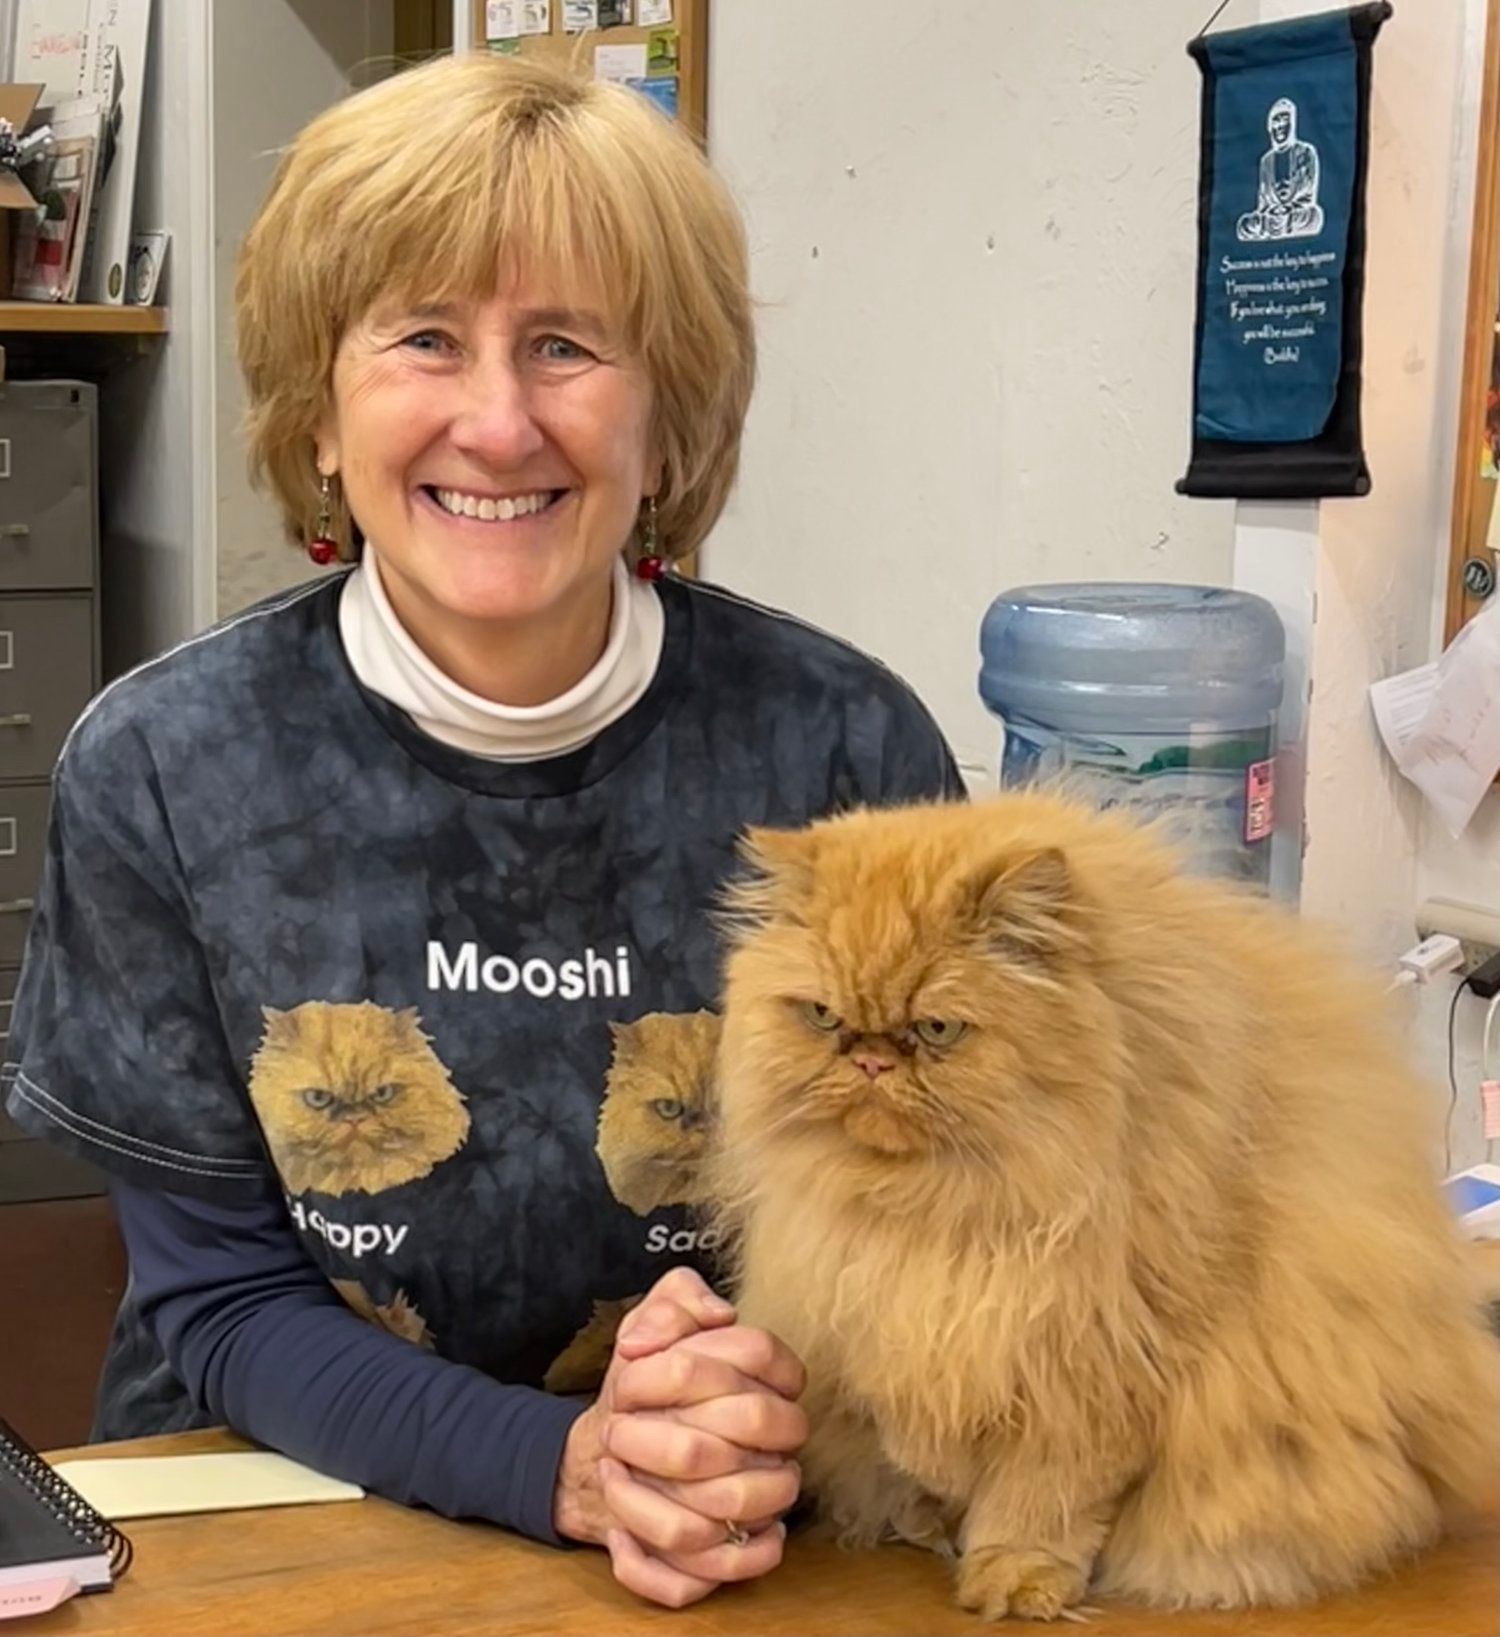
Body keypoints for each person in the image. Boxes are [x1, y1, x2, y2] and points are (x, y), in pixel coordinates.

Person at [2, 52, 962, 1610]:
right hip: (282, 1506)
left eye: (568, 345)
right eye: (426, 340)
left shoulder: (844, 750)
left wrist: (724, 1395)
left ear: (673, 412)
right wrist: (561, 1464)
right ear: (322, 413)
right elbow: (224, 1299)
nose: (499, 422)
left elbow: (935, 1224)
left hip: (733, 1519)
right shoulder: (168, 768)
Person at [1236, 97, 1323, 243]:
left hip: (1295, 215)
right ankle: (1273, 230)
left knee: (1315, 216)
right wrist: (1269, 211)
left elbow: (1308, 193)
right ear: (1270, 127)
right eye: (1276, 121)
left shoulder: (1306, 152)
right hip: (1271, 218)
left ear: (1293, 124)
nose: (1280, 126)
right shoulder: (1266, 161)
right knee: (1245, 224)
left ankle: (1276, 230)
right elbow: (1263, 199)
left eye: (1285, 121)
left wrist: (1288, 209)